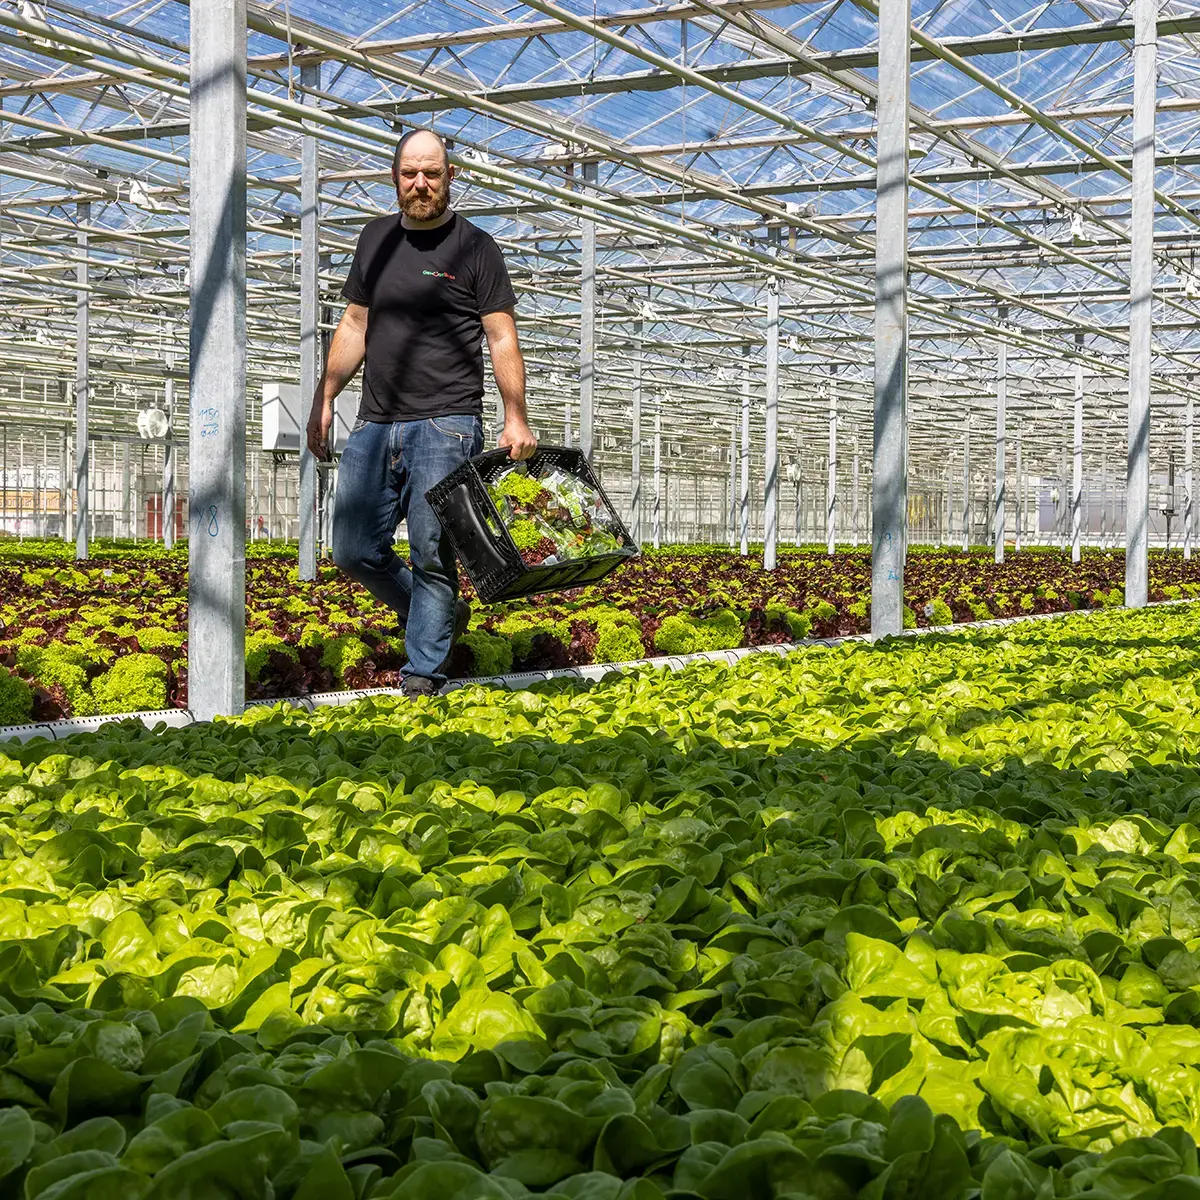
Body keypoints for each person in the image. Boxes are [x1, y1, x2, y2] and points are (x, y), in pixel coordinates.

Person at [306, 128, 537, 697]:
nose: (420, 183)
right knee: (353, 549)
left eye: (432, 173)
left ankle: (423, 675)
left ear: (450, 177)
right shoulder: (374, 239)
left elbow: (501, 337)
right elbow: (356, 324)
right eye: (410, 172)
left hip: (447, 423)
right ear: (395, 177)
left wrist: (516, 415)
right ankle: (434, 618)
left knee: (433, 551)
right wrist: (325, 395)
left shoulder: (476, 248)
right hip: (375, 421)